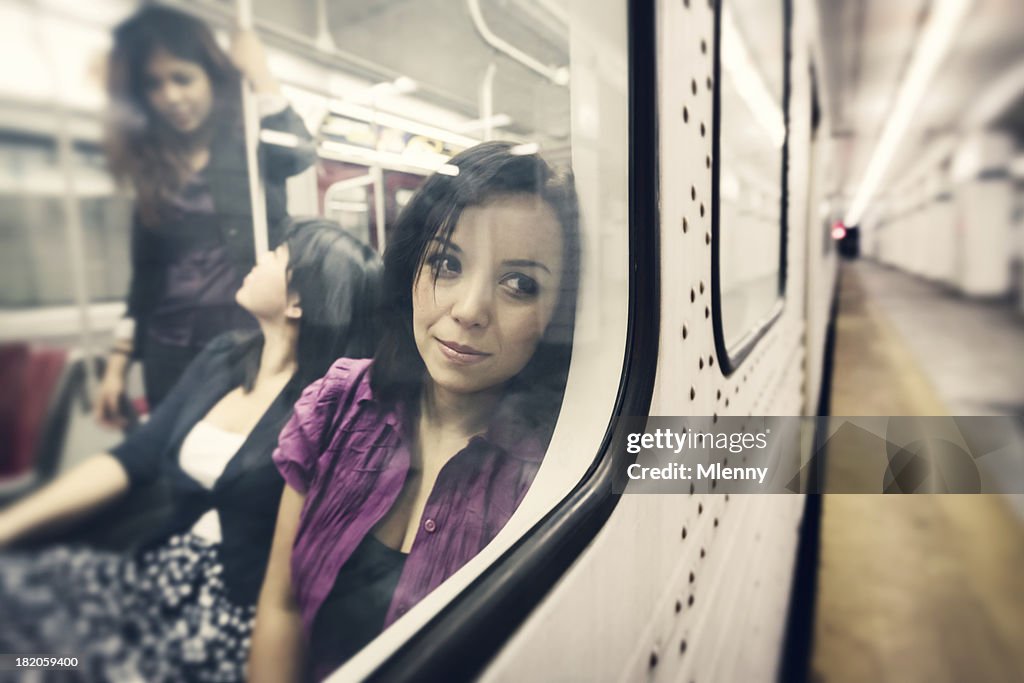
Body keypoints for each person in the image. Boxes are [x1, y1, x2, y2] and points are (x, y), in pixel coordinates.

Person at [249, 142, 581, 682]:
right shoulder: (336, 405)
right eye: (447, 263)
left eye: (520, 284)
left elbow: (754, 457)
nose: (469, 310)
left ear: (556, 316)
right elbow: (281, 605)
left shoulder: (569, 461)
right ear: (410, 269)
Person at [0, 219, 381, 682]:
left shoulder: (325, 410)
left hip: (225, 613)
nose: (260, 258)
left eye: (278, 253)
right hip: (154, 574)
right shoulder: (223, 358)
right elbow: (136, 456)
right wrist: (9, 526)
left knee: (47, 667)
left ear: (298, 301)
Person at [96, 6, 317, 424]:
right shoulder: (153, 170)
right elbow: (145, 275)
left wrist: (260, 73)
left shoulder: (248, 144)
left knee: (240, 462)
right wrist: (118, 362)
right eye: (155, 85)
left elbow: (299, 153)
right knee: (175, 462)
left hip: (247, 341)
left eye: (183, 78)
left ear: (212, 79)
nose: (171, 97)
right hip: (168, 348)